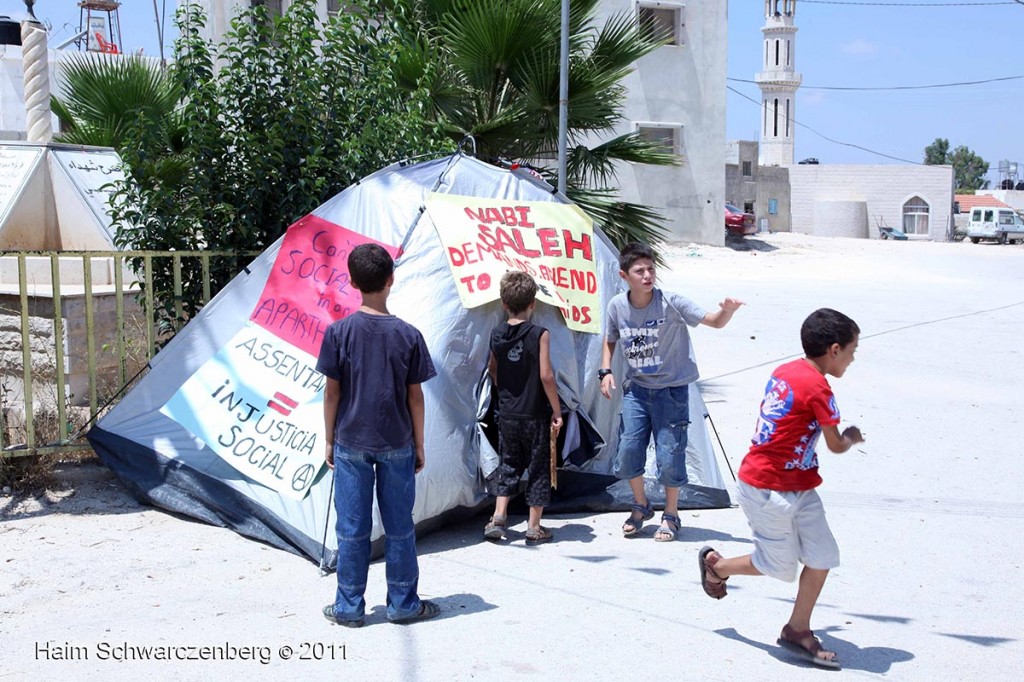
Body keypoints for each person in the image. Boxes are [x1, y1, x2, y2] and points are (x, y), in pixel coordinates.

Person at [697, 308, 864, 670]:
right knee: (780, 567)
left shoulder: (788, 369)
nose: (852, 358)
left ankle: (797, 630)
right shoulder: (818, 387)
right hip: (765, 487)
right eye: (851, 350)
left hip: (800, 485)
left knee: (822, 557)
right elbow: (835, 445)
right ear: (834, 349)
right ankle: (718, 566)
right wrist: (850, 436)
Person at [317, 243, 440, 627]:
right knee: (400, 525)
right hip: (398, 442)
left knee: (352, 528)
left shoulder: (338, 333)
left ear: (352, 282)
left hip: (351, 441)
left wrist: (329, 438)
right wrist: (419, 444)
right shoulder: (409, 335)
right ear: (391, 280)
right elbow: (415, 396)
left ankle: (348, 606)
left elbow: (332, 391)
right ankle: (403, 603)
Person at [600, 242, 743, 542]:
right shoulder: (617, 306)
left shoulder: (671, 302)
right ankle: (641, 505)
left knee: (670, 456)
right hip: (636, 391)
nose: (648, 275)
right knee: (627, 453)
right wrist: (606, 371)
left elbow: (713, 321)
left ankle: (671, 514)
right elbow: (610, 338)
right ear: (624, 275)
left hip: (672, 392)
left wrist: (726, 311)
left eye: (651, 269)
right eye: (640, 271)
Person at [483, 271, 564, 545]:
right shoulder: (539, 334)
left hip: (507, 413)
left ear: (504, 304)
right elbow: (546, 376)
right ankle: (533, 526)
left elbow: (493, 369)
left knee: (508, 464)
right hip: (534, 414)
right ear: (533, 303)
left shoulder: (496, 333)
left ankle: (498, 517)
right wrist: (556, 410)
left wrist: (505, 389)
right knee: (539, 468)